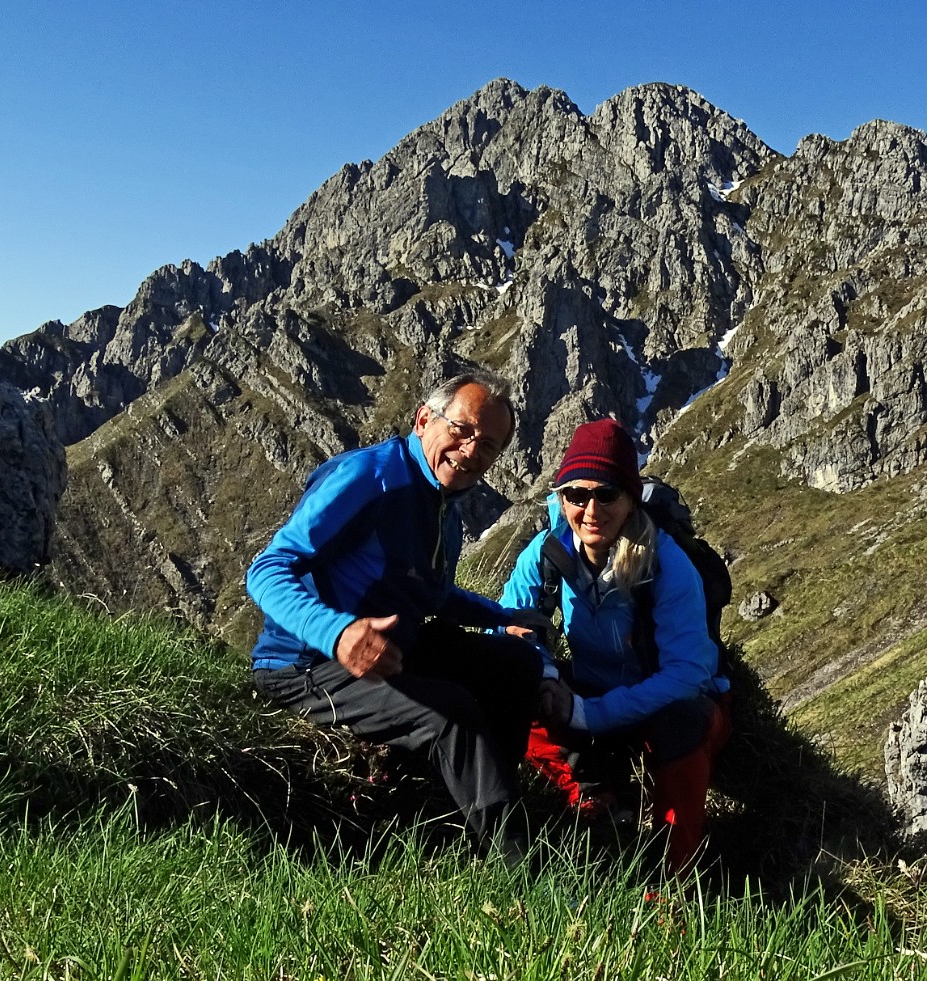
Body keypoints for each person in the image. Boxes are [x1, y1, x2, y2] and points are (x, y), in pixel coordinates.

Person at [247, 366, 547, 850]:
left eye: (488, 445)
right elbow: (266, 569)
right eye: (462, 430)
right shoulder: (368, 477)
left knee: (517, 666)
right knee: (451, 713)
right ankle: (518, 865)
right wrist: (338, 633)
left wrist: (502, 617)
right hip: (304, 663)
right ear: (423, 418)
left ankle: (484, 809)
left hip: (390, 645)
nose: (471, 451)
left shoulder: (444, 505)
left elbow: (431, 595)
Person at [499, 418, 731, 872]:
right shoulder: (549, 550)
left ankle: (672, 876)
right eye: (575, 495)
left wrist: (588, 714)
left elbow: (689, 675)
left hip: (670, 703)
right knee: (506, 680)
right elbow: (509, 625)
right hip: (592, 689)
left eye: (606, 494)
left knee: (684, 723)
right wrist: (546, 677)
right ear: (560, 497)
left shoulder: (665, 563)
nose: (590, 509)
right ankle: (593, 799)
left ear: (629, 500)